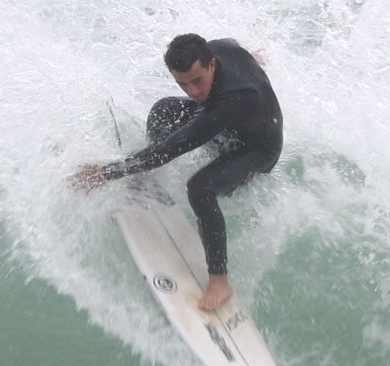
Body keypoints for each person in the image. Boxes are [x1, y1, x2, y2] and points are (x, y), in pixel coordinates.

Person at [73, 34, 283, 312]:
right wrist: (250, 57)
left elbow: (171, 149)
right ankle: (143, 177)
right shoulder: (222, 48)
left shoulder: (233, 98)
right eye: (182, 83)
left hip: (256, 149)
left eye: (197, 81)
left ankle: (220, 282)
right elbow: (234, 43)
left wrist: (106, 174)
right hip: (231, 127)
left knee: (201, 188)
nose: (193, 92)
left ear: (211, 64)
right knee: (163, 111)